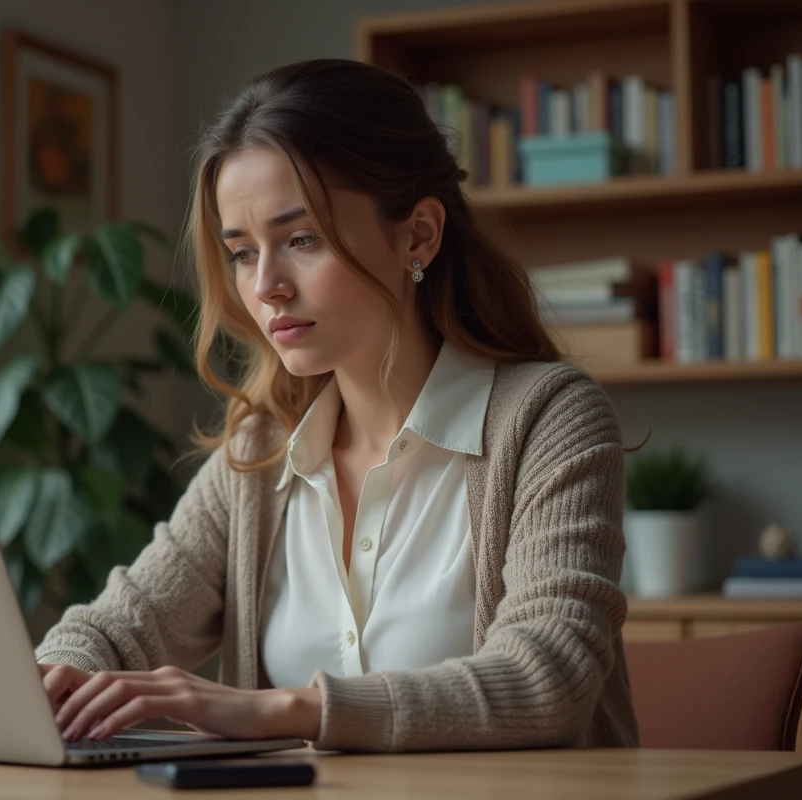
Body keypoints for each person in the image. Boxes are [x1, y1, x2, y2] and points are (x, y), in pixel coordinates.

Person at [34, 58, 639, 753]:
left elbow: (545, 678)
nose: (265, 287)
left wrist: (281, 711)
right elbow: (116, 629)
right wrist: (53, 682)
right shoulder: (259, 455)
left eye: (301, 239)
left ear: (418, 236)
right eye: (240, 252)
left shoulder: (548, 419)